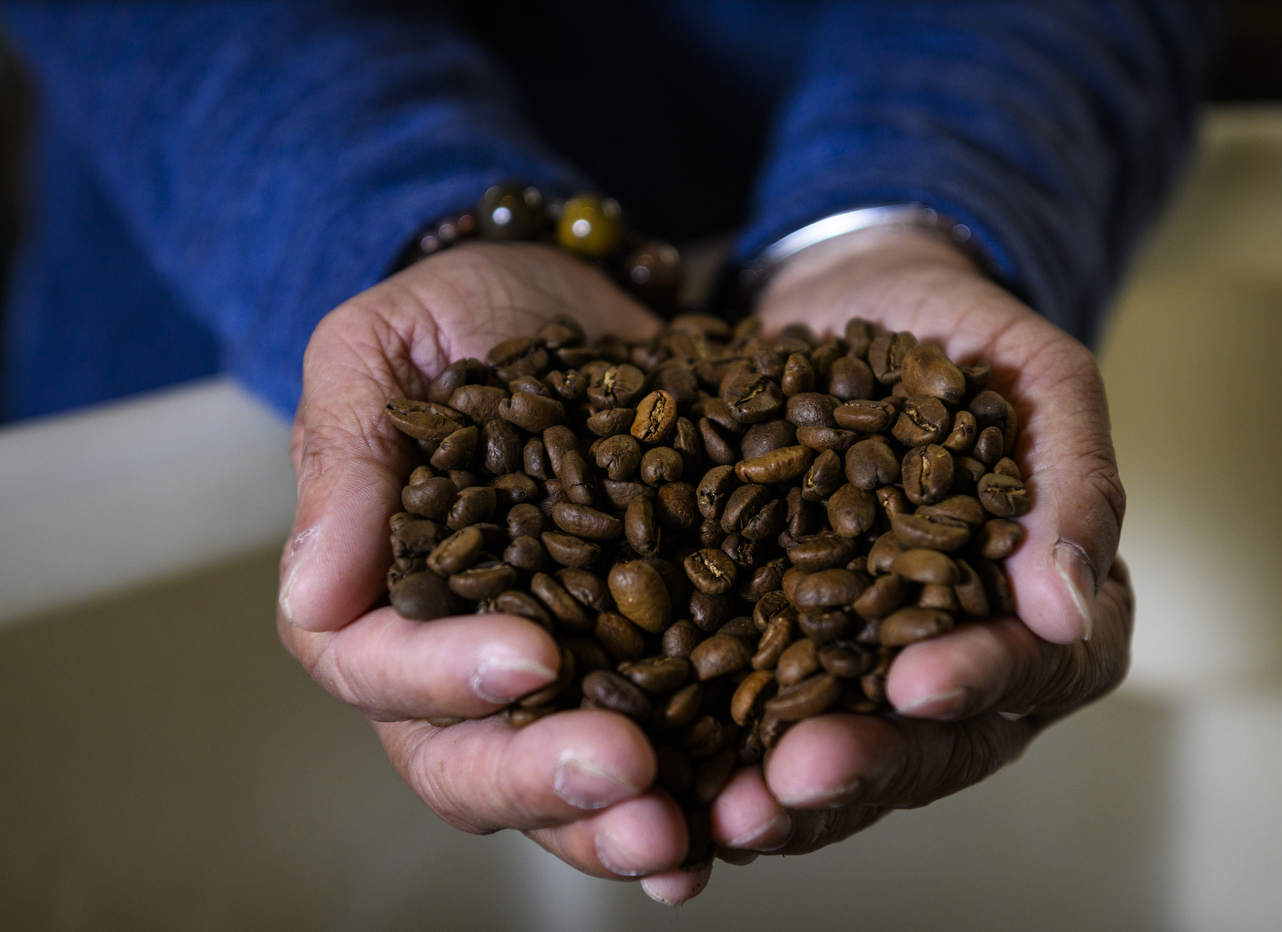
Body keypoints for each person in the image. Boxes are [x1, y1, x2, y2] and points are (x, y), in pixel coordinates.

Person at [1, 1, 1217, 905]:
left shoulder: (851, 480)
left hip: (923, 144)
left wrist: (910, 204)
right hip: (213, 281)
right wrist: (390, 203)